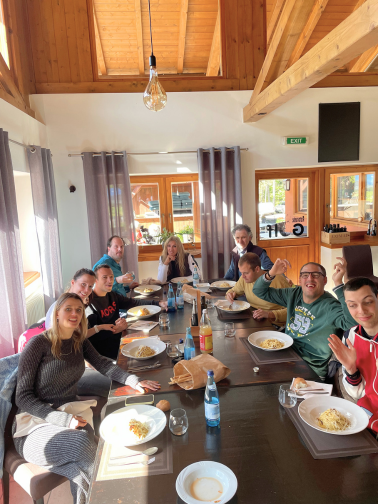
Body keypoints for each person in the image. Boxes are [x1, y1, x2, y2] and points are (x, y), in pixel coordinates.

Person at [13, 292, 159, 504]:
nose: (75, 313)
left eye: (79, 310)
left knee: (81, 468)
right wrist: (61, 420)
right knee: (84, 443)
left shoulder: (77, 341)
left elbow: (103, 364)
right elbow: (23, 398)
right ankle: (119, 496)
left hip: (69, 416)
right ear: (56, 314)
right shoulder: (38, 344)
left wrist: (133, 380)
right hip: (32, 427)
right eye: (68, 309)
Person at [252, 258, 357, 379]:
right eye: (305, 275)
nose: (310, 278)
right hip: (285, 354)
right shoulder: (294, 294)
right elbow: (259, 290)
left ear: (325, 280)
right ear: (299, 280)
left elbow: (352, 324)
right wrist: (271, 273)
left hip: (310, 368)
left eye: (316, 275)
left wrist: (338, 284)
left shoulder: (330, 306)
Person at [328, 267, 378, 433]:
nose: (361, 311)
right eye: (352, 305)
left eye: (368, 302)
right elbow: (356, 393)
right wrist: (350, 369)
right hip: (365, 417)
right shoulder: (351, 336)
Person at [87, 264, 167, 359]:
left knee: (159, 342)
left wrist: (158, 303)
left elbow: (132, 302)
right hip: (109, 352)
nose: (109, 280)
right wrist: (115, 330)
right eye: (105, 277)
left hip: (122, 339)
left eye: (111, 277)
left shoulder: (111, 295)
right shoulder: (89, 303)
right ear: (95, 280)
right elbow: (91, 337)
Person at [225, 253, 289, 326]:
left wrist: (270, 314)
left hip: (274, 324)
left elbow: (294, 309)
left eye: (246, 273)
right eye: (241, 273)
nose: (243, 276)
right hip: (253, 320)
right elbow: (233, 291)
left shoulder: (279, 281)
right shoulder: (244, 279)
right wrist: (229, 294)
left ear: (257, 269)